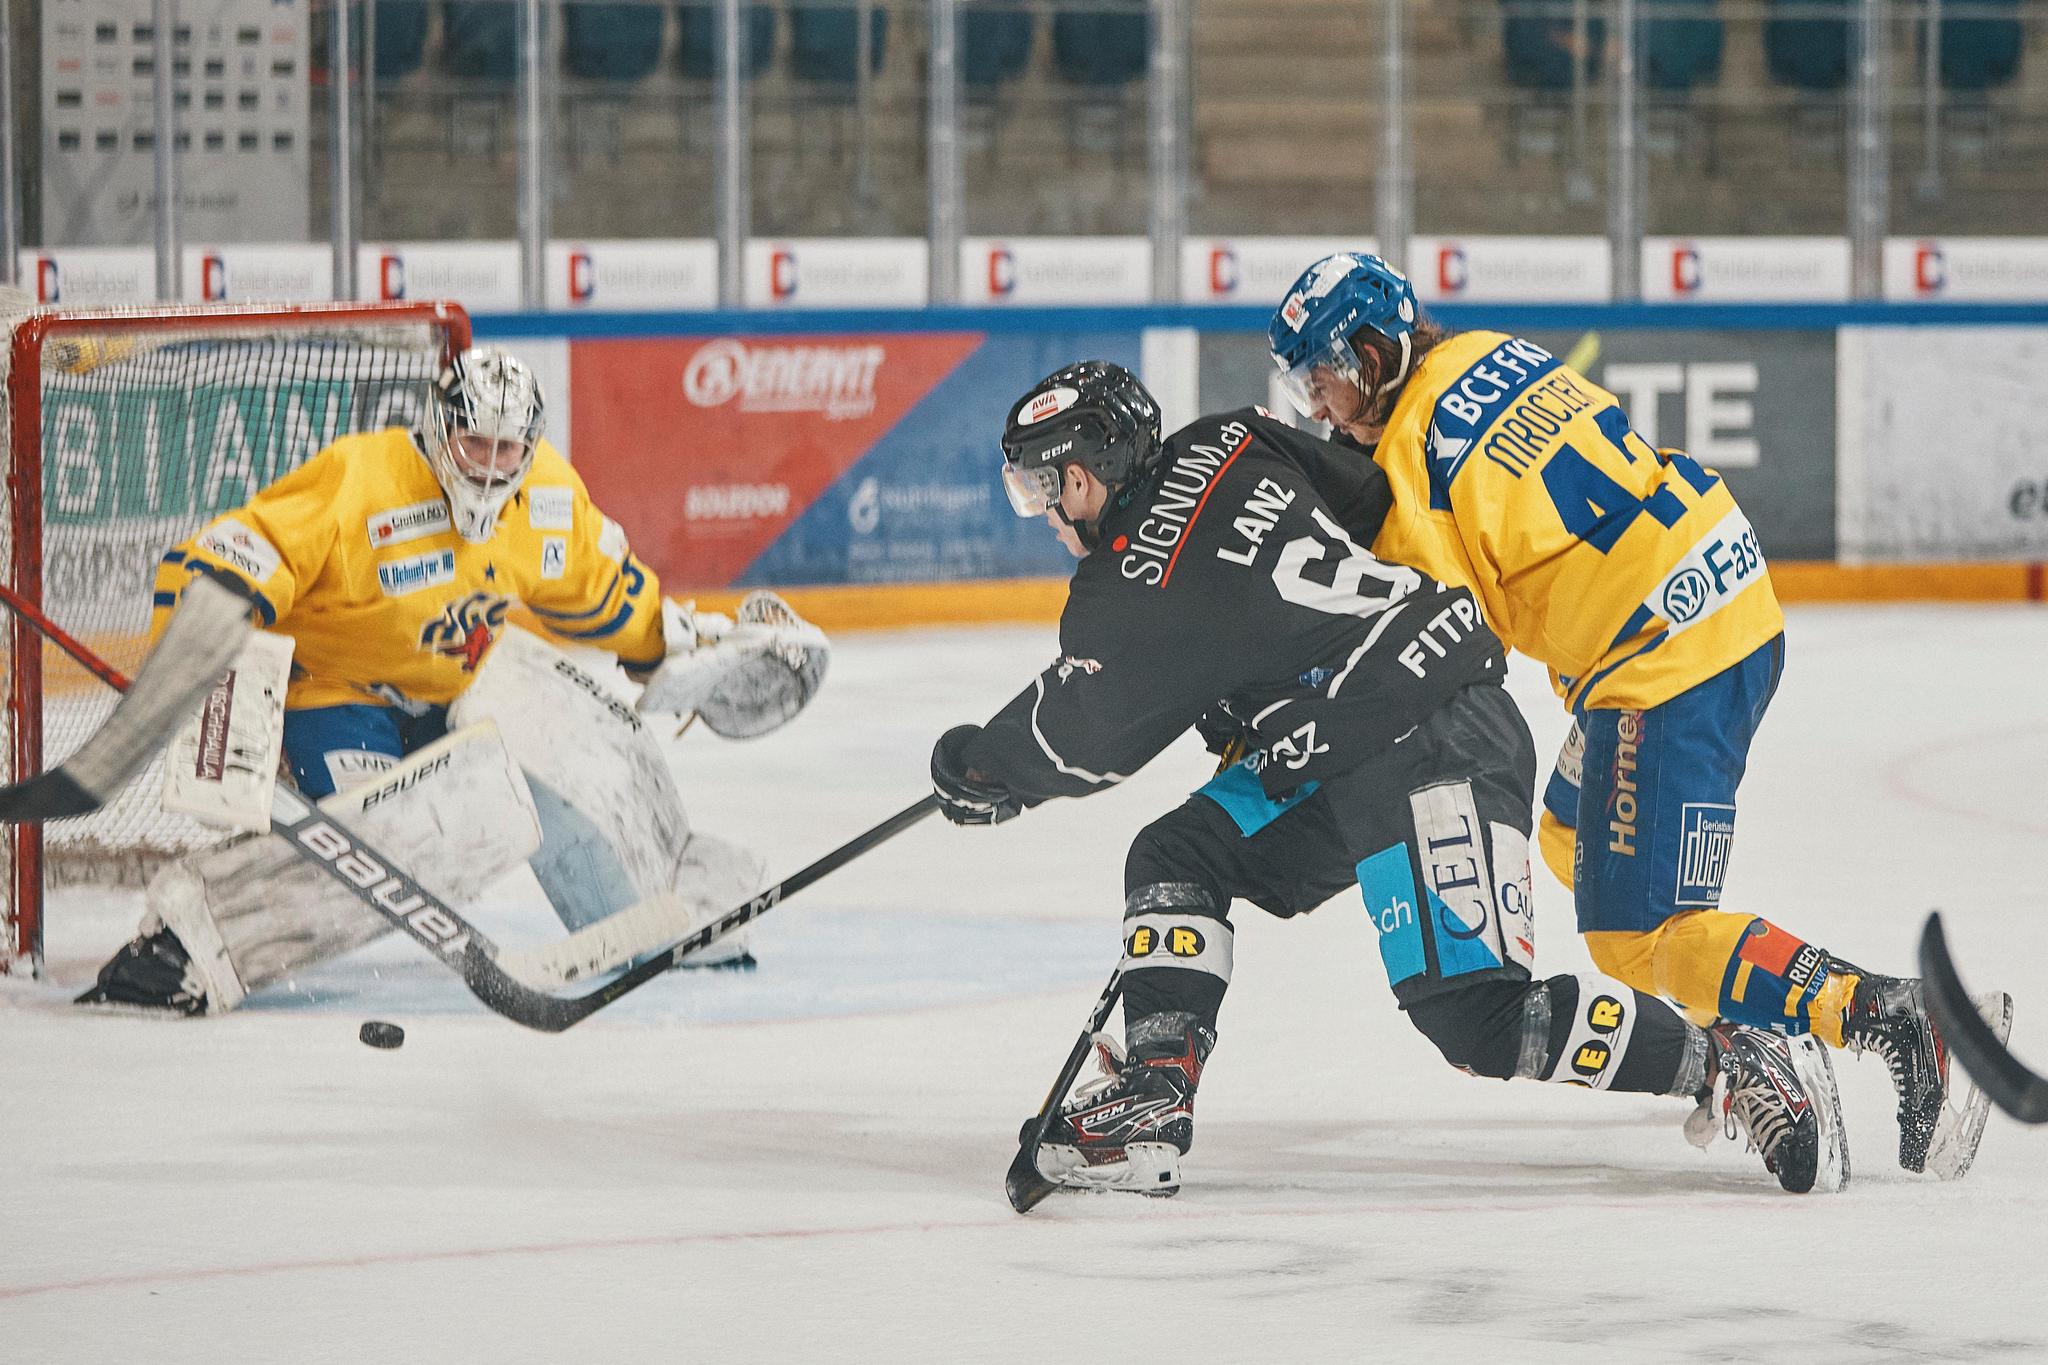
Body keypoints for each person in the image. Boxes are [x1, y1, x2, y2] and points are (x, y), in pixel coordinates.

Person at [931, 359, 1848, 1197]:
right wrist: (1279, 656)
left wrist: (978, 765)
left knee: (1479, 1018)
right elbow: (1369, 499)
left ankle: (1731, 1059)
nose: (1046, 513)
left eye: (1043, 488)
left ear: (1083, 477)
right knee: (1179, 853)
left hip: (1428, 734)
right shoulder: (1229, 437)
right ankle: (1153, 1096)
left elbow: (1080, 740)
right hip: (1366, 720)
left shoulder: (1119, 594)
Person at [1265, 251, 2009, 1179]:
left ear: (1372, 353)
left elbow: (1444, 640)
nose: (1319, 409)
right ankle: (1748, 1030)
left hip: (1660, 663)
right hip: (1720, 585)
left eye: (1324, 380)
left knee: (1636, 936)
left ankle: (1890, 1017)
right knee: (1568, 835)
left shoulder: (1409, 471)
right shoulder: (1485, 352)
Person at [80, 345, 828, 1012]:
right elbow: (244, 550)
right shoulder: (362, 477)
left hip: (461, 689)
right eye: (476, 442)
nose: (491, 465)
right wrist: (206, 640)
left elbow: (602, 588)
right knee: (407, 839)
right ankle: (188, 943)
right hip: (340, 699)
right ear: (442, 428)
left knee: (578, 743)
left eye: (509, 448)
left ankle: (660, 902)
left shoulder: (547, 497)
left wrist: (673, 642)